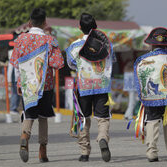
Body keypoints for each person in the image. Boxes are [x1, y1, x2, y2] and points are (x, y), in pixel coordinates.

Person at [10, 8, 64, 163]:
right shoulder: (49, 40)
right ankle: (42, 152)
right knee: (43, 117)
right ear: (45, 23)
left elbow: (15, 62)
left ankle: (25, 136)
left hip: (27, 84)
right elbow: (58, 63)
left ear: (29, 22)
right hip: (45, 85)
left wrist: (19, 81)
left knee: (29, 114)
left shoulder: (20, 39)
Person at [65, 13, 115, 162]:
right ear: (95, 26)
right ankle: (102, 138)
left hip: (83, 87)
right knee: (103, 118)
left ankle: (84, 152)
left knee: (83, 118)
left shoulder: (74, 46)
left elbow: (71, 64)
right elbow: (112, 60)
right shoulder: (107, 44)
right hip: (102, 86)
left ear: (80, 27)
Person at [134, 27, 167, 162]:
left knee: (152, 121)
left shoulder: (141, 60)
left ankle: (152, 152)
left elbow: (138, 83)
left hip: (150, 96)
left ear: (151, 44)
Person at [7, 50, 21, 115]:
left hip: (17, 80)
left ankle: (15, 108)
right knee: (15, 94)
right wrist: (9, 81)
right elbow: (9, 72)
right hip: (14, 81)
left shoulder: (17, 61)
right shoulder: (11, 62)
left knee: (18, 95)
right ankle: (13, 108)